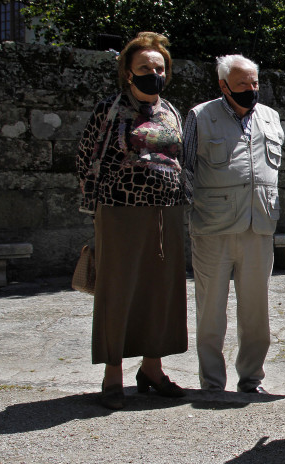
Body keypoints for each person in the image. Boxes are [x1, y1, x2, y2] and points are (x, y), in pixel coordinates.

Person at [76, 32, 188, 410]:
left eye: (159, 68)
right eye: (144, 67)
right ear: (128, 72)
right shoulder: (110, 110)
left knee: (160, 290)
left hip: (167, 211)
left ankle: (152, 370)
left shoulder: (171, 111)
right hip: (120, 212)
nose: (152, 73)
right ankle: (113, 374)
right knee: (118, 289)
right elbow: (84, 158)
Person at [183, 54, 285, 394]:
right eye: (242, 84)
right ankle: (212, 382)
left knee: (256, 312)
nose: (250, 89)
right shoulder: (200, 116)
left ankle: (252, 379)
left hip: (259, 228)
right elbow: (184, 171)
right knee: (210, 311)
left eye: (254, 83)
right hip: (213, 228)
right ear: (223, 85)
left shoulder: (270, 117)